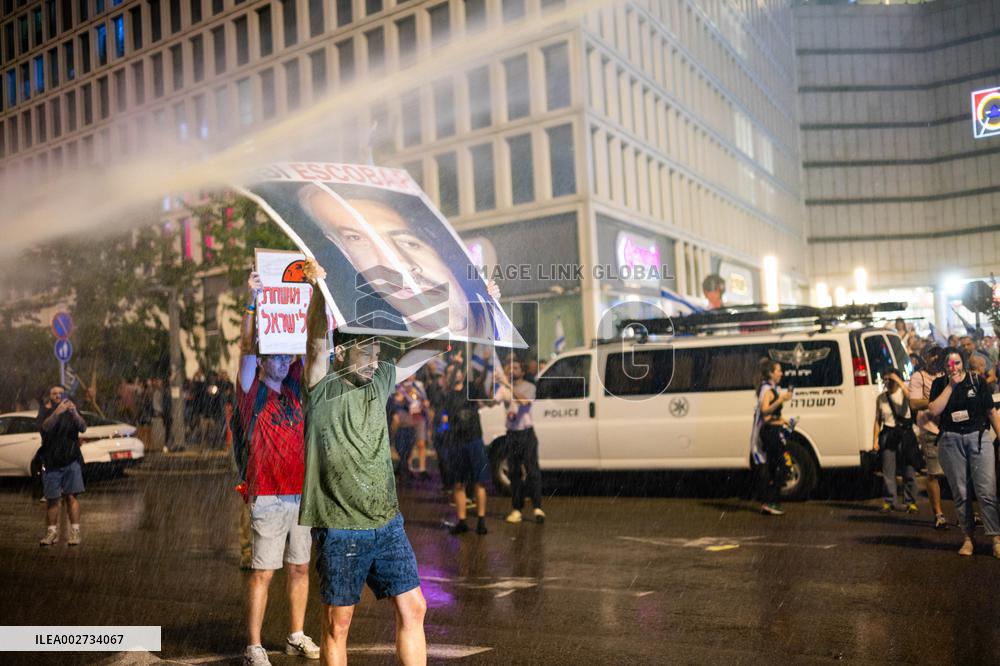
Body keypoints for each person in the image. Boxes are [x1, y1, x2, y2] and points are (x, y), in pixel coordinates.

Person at [299, 258, 501, 665]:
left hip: (386, 522)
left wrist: (477, 307)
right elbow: (316, 337)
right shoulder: (321, 383)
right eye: (365, 349)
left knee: (415, 608)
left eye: (377, 348)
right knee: (338, 625)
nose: (374, 357)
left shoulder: (382, 377)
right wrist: (318, 291)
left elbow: (430, 346)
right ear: (342, 352)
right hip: (341, 528)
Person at [235, 270, 320, 666]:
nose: (284, 361)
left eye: (287, 355)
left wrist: (313, 292)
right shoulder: (251, 392)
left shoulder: (293, 385)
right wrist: (252, 302)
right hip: (267, 496)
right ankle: (254, 645)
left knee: (300, 568)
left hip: (300, 496)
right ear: (264, 360)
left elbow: (308, 339)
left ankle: (295, 635)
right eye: (277, 356)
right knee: (263, 572)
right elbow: (245, 348)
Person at [927, 347, 1000, 557]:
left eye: (957, 363)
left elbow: (991, 412)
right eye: (950, 364)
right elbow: (933, 411)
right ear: (944, 366)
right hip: (951, 441)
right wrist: (951, 385)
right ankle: (968, 538)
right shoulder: (940, 384)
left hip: (978, 438)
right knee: (961, 493)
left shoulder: (977, 381)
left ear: (963, 363)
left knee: (986, 491)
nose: (954, 367)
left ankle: (996, 538)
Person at [441, 365, 490, 536]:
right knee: (458, 484)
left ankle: (481, 520)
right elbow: (448, 384)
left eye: (459, 370)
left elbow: (482, 378)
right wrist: (454, 366)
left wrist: (485, 361)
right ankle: (462, 521)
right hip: (457, 444)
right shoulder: (448, 394)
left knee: (479, 482)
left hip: (474, 441)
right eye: (453, 371)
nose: (456, 374)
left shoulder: (471, 390)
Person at [37, 384, 87, 546]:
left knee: (72, 496)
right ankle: (52, 533)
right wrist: (57, 413)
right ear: (50, 396)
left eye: (60, 393)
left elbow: (83, 427)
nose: (58, 395)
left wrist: (74, 413)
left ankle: (75, 532)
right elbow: (44, 427)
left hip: (71, 461)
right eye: (54, 393)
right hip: (52, 463)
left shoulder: (71, 410)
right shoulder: (45, 410)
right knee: (52, 499)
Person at [496, 357, 543, 524]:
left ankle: (537, 507)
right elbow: (489, 401)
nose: (511, 370)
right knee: (514, 473)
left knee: (532, 471)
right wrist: (492, 381)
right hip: (512, 434)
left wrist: (508, 386)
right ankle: (517, 509)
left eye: (515, 368)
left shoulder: (529, 387)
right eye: (509, 368)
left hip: (526, 433)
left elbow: (523, 402)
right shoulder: (503, 388)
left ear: (522, 372)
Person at [909, 346, 948, 528]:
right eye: (930, 356)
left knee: (961, 473)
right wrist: (938, 401)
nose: (934, 359)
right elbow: (914, 403)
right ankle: (939, 514)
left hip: (952, 429)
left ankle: (969, 513)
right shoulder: (918, 376)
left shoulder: (949, 373)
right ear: (925, 357)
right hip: (930, 429)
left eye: (937, 356)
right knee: (934, 473)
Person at [750, 359, 792, 516]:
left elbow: (771, 415)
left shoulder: (772, 388)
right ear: (770, 373)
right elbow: (765, 412)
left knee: (775, 468)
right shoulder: (767, 390)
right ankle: (768, 500)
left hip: (773, 431)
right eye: (778, 370)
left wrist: (783, 420)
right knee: (784, 466)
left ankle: (769, 501)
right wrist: (780, 400)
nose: (781, 373)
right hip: (769, 434)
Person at [873, 370, 918, 513]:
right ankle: (889, 501)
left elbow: (912, 399)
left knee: (909, 470)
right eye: (885, 380)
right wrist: (875, 440)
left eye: (890, 379)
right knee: (888, 470)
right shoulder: (881, 398)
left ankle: (910, 502)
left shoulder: (904, 393)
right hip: (888, 433)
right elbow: (877, 420)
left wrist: (899, 381)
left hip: (904, 433)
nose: (887, 382)